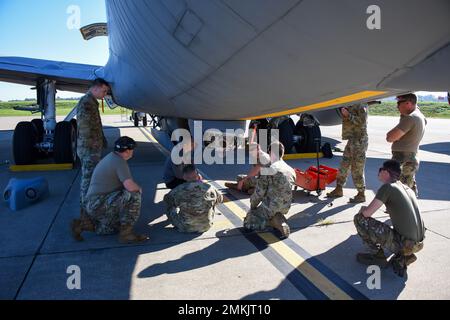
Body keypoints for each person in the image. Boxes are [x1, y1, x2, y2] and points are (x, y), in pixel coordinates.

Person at [353, 160, 425, 277]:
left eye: (380, 170)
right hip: (419, 243)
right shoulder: (406, 188)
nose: (379, 173)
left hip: (405, 243)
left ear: (386, 172)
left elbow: (366, 214)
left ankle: (378, 257)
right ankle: (405, 256)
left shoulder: (388, 187)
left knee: (359, 219)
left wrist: (363, 211)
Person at [71, 136, 148, 244]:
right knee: (134, 195)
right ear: (126, 151)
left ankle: (83, 225)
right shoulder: (119, 162)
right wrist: (139, 188)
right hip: (98, 203)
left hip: (94, 203)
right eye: (132, 149)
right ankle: (126, 234)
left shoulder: (112, 157)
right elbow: (130, 186)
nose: (132, 152)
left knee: (112, 229)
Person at [243, 141, 294, 238]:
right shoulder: (290, 170)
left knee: (248, 223)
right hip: (286, 206)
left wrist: (252, 206)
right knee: (270, 209)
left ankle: (274, 222)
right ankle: (276, 217)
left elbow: (259, 192)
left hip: (271, 205)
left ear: (270, 152)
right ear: (282, 153)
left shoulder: (269, 168)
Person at [76, 78, 110, 220]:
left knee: (90, 179)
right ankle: (85, 212)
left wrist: (102, 139)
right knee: (87, 180)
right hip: (89, 149)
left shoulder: (91, 102)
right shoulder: (86, 102)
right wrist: (94, 145)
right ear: (96, 88)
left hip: (92, 147)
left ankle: (88, 209)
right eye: (104, 91)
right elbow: (84, 127)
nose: (105, 94)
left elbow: (94, 125)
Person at [386, 93, 426, 196]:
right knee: (409, 190)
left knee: (401, 192)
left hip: (404, 159)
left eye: (399, 103)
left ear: (408, 103)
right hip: (410, 157)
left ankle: (401, 210)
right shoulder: (420, 116)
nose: (397, 106)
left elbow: (390, 137)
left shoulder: (410, 118)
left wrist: (393, 135)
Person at [327, 103, 368, 203]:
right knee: (344, 165)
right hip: (352, 140)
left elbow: (362, 122)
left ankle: (361, 194)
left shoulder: (361, 105)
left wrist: (347, 115)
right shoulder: (350, 104)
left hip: (359, 141)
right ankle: (339, 189)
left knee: (357, 168)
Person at [164, 165, 223, 233]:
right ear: (198, 176)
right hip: (206, 226)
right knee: (213, 201)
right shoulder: (209, 188)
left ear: (184, 177)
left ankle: (180, 222)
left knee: (170, 207)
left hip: (185, 227)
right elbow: (220, 200)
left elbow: (167, 200)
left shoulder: (178, 190)